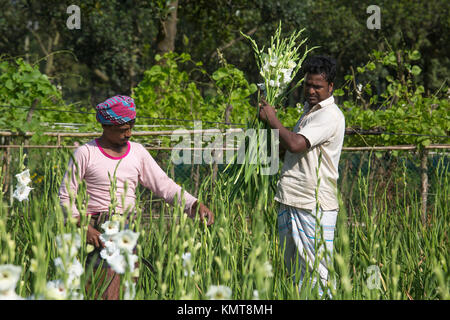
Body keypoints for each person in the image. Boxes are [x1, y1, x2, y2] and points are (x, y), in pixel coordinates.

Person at [59, 95, 214, 299]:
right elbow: (65, 196)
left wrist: (194, 204)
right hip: (97, 232)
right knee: (100, 288)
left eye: (131, 127)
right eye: (123, 129)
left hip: (127, 229)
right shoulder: (86, 153)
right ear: (106, 125)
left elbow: (164, 185)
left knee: (126, 289)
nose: (129, 134)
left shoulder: (137, 152)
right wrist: (83, 226)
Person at [258, 55, 345, 297]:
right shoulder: (309, 112)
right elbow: (289, 146)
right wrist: (266, 129)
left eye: (318, 86)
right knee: (296, 271)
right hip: (292, 198)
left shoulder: (330, 115)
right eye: (308, 84)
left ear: (331, 87)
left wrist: (273, 119)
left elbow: (296, 144)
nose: (311, 90)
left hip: (313, 204)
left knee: (317, 273)